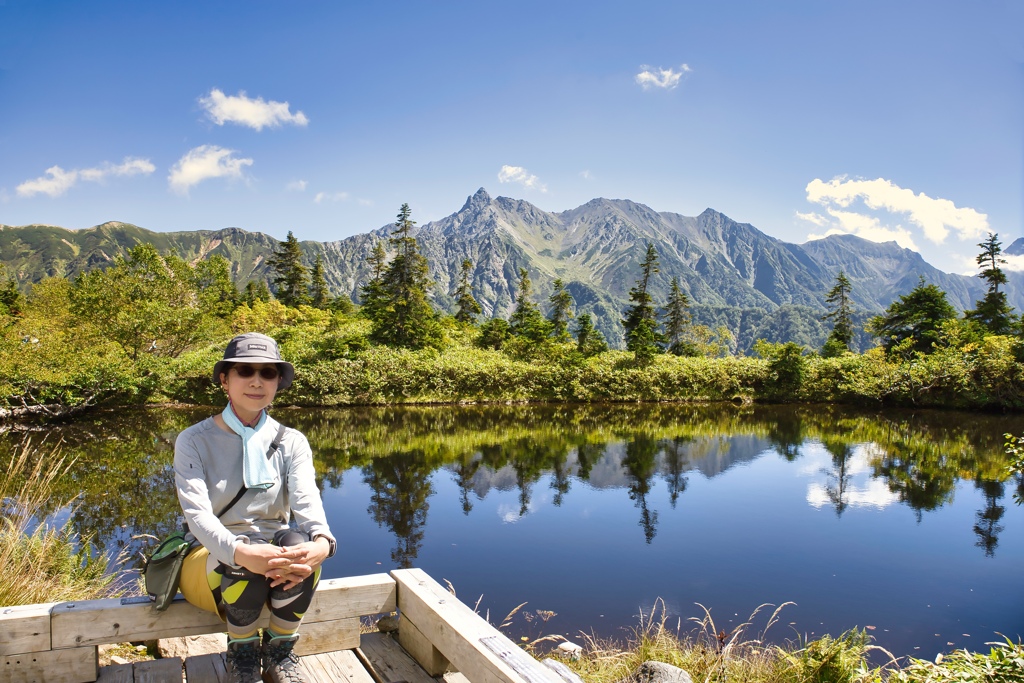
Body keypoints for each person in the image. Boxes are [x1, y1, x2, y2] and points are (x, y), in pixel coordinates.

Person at [174, 332, 336, 683]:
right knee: (246, 557)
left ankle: (280, 652)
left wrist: (323, 542)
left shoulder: (292, 441)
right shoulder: (193, 440)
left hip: (272, 552)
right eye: (245, 371)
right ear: (225, 380)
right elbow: (197, 516)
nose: (256, 381)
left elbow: (307, 500)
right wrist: (241, 552)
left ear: (278, 382)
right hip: (208, 556)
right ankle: (242, 655)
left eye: (268, 373)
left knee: (302, 551)